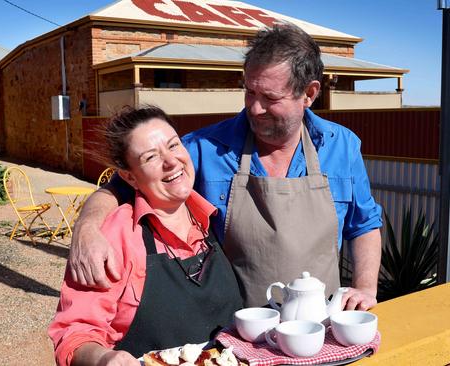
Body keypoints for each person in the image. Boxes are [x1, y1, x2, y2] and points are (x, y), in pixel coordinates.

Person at [68, 23, 383, 309]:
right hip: (231, 330)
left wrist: (365, 288)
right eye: (249, 91)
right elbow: (120, 186)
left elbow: (364, 224)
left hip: (318, 327)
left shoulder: (342, 146)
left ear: (309, 93)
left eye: (270, 97)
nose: (254, 107)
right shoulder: (206, 148)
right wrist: (87, 227)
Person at [48, 106, 243, 366]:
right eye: (151, 157)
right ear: (130, 177)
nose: (171, 161)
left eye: (173, 145)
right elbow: (75, 332)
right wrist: (102, 358)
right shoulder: (115, 236)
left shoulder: (214, 217)